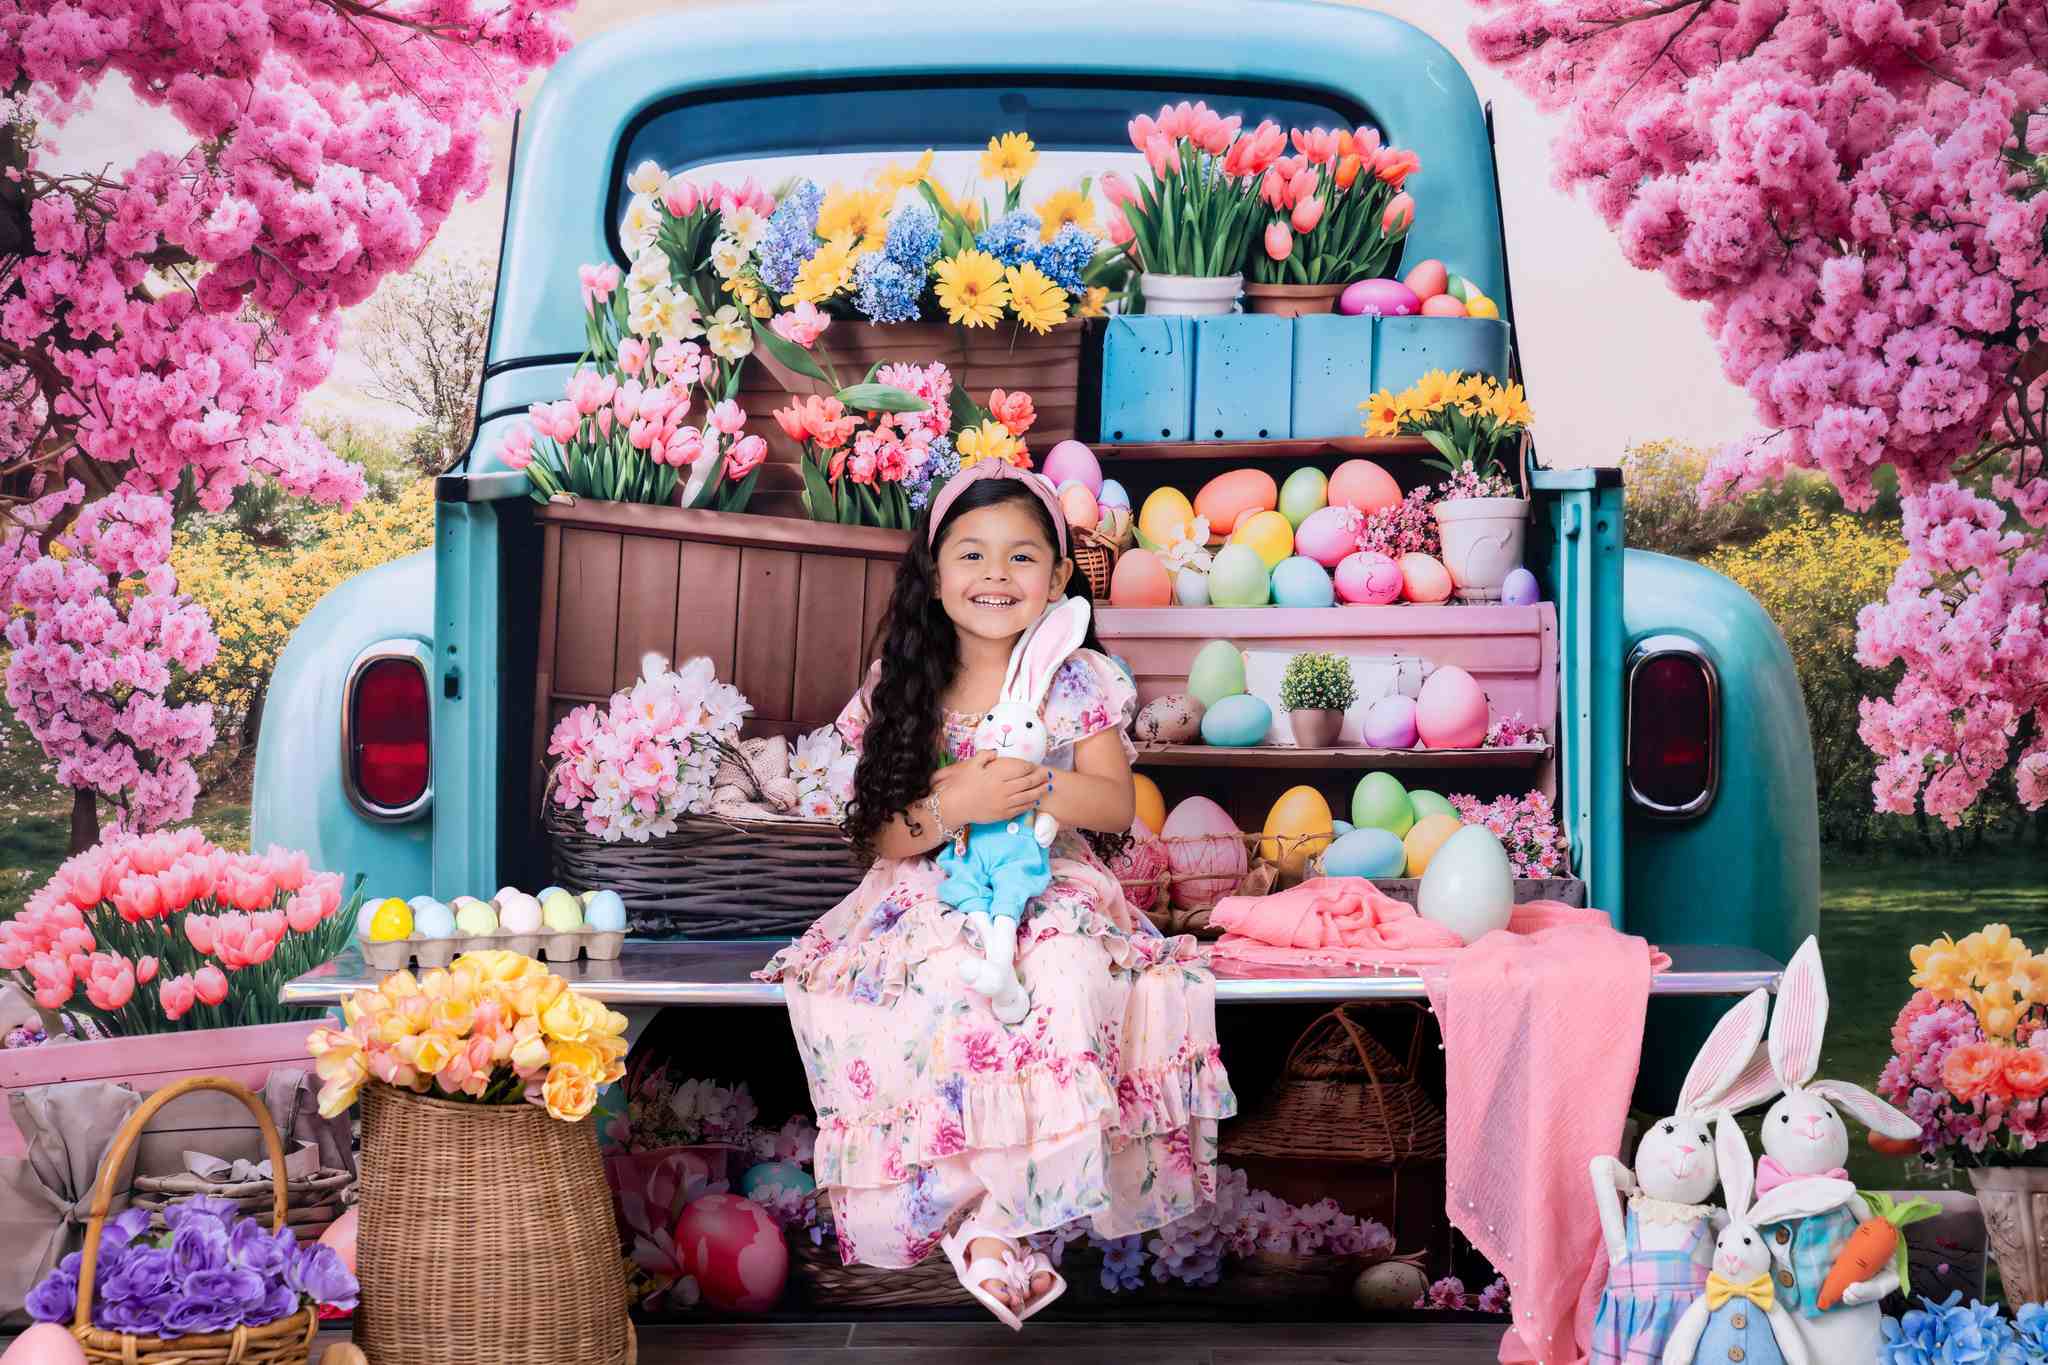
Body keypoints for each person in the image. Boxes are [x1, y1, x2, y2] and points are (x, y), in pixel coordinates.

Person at [758, 460, 1235, 1328]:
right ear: (935, 577)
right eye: (972, 555)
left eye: (1023, 559)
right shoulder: (902, 685)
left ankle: (1005, 1218)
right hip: (928, 884)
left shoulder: (1076, 679)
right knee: (941, 986)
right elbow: (881, 832)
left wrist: (1027, 788)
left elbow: (1116, 803)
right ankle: (980, 1217)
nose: (996, 576)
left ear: (1057, 580)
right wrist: (956, 803)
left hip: (1050, 877)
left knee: (1062, 971)